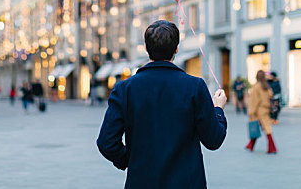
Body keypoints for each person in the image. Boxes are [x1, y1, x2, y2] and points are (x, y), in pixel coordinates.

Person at [97, 20, 227, 188]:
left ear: (146, 47)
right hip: (186, 183)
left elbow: (106, 142)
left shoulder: (124, 89)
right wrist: (218, 109)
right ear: (176, 49)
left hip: (142, 182)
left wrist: (129, 161)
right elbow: (213, 140)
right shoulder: (195, 87)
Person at [245, 70, 277, 154]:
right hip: (266, 109)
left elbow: (255, 101)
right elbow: (271, 95)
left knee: (256, 127)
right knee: (266, 127)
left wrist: (251, 112)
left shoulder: (256, 87)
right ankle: (250, 145)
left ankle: (272, 148)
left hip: (258, 110)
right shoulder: (266, 86)